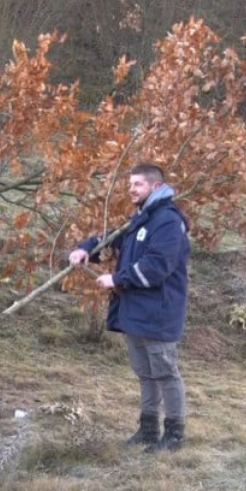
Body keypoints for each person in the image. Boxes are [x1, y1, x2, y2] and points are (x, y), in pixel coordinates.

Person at [68, 163, 191, 453]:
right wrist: (86, 248)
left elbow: (157, 266)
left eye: (138, 184)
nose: (131, 189)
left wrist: (117, 278)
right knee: (145, 373)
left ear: (156, 186)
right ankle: (148, 429)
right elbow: (113, 238)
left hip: (159, 313)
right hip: (135, 311)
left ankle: (174, 435)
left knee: (166, 373)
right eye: (130, 184)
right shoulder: (141, 219)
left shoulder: (167, 221)